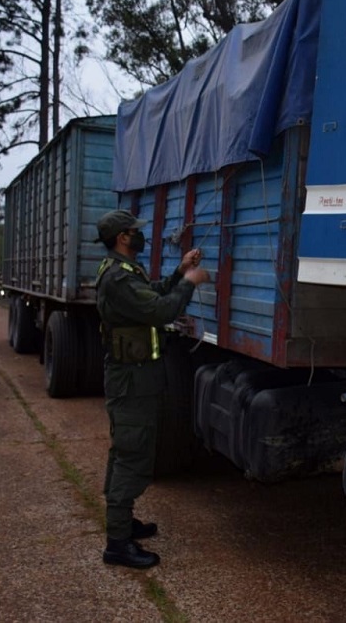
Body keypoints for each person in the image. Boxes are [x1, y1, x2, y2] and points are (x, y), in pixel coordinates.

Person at [93, 209, 211, 569]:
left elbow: (152, 295)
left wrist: (178, 272)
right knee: (132, 454)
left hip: (136, 377)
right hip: (132, 381)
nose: (140, 236)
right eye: (135, 231)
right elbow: (160, 311)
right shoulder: (117, 277)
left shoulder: (125, 272)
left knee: (128, 449)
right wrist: (190, 282)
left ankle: (123, 524)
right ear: (122, 238)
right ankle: (117, 544)